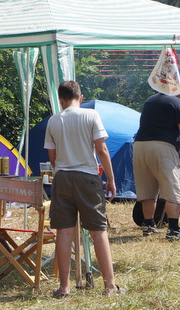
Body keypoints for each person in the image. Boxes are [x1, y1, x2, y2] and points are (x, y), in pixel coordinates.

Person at [45, 81, 122, 297]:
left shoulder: (54, 120)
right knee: (98, 232)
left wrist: (63, 169)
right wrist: (111, 179)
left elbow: (52, 157)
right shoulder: (91, 115)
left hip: (62, 178)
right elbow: (102, 148)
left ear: (60, 100)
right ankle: (109, 286)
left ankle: (64, 287)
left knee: (64, 232)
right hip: (88, 177)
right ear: (80, 98)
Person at [133, 76, 180, 241]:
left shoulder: (150, 100)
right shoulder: (176, 102)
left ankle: (148, 225)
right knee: (173, 190)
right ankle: (174, 229)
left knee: (147, 189)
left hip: (140, 146)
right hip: (162, 148)